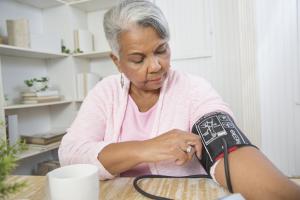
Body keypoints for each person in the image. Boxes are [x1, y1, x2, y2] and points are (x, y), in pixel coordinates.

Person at [58, 0, 300, 199]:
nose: (155, 66)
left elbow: (225, 145)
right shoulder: (105, 92)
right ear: (116, 61)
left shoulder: (194, 88)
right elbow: (70, 153)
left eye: (161, 50)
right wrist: (146, 149)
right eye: (138, 59)